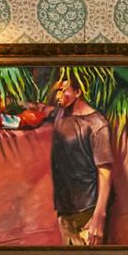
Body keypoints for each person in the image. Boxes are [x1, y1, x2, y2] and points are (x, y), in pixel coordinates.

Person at [46, 75, 115, 246]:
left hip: (88, 211)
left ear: (78, 92)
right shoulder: (59, 116)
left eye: (63, 90)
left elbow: (105, 171)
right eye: (57, 90)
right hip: (64, 210)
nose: (58, 95)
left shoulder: (97, 124)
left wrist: (99, 216)